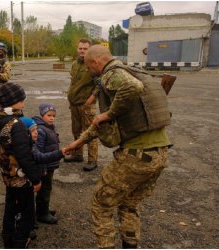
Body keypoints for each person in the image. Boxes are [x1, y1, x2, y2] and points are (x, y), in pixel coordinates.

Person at [65, 45, 171, 248]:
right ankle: (130, 245)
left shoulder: (111, 74)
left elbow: (132, 88)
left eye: (90, 67)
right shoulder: (133, 70)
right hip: (160, 153)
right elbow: (100, 124)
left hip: (136, 155)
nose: (90, 71)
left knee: (101, 203)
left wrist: (108, 113)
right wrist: (77, 143)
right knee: (128, 203)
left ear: (96, 62)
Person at [0, 82, 41, 249]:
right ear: (13, 101)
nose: (23, 104)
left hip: (7, 175)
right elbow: (24, 156)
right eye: (21, 100)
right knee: (26, 210)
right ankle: (20, 241)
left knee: (11, 206)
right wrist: (35, 179)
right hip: (20, 177)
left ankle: (8, 237)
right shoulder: (16, 125)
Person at [64, 38, 99, 172]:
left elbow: (100, 83)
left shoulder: (93, 64)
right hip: (74, 104)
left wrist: (92, 97)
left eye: (85, 49)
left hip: (86, 106)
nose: (82, 51)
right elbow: (74, 82)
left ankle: (92, 160)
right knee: (76, 131)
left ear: (89, 50)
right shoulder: (74, 64)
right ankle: (78, 155)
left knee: (90, 132)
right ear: (77, 49)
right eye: (80, 48)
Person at [32, 103, 64, 224]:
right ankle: (42, 213)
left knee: (46, 189)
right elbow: (38, 150)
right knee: (45, 189)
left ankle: (43, 208)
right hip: (45, 166)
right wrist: (43, 167)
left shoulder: (48, 126)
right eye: (48, 115)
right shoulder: (41, 130)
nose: (52, 118)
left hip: (49, 164)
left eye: (53, 115)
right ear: (42, 115)